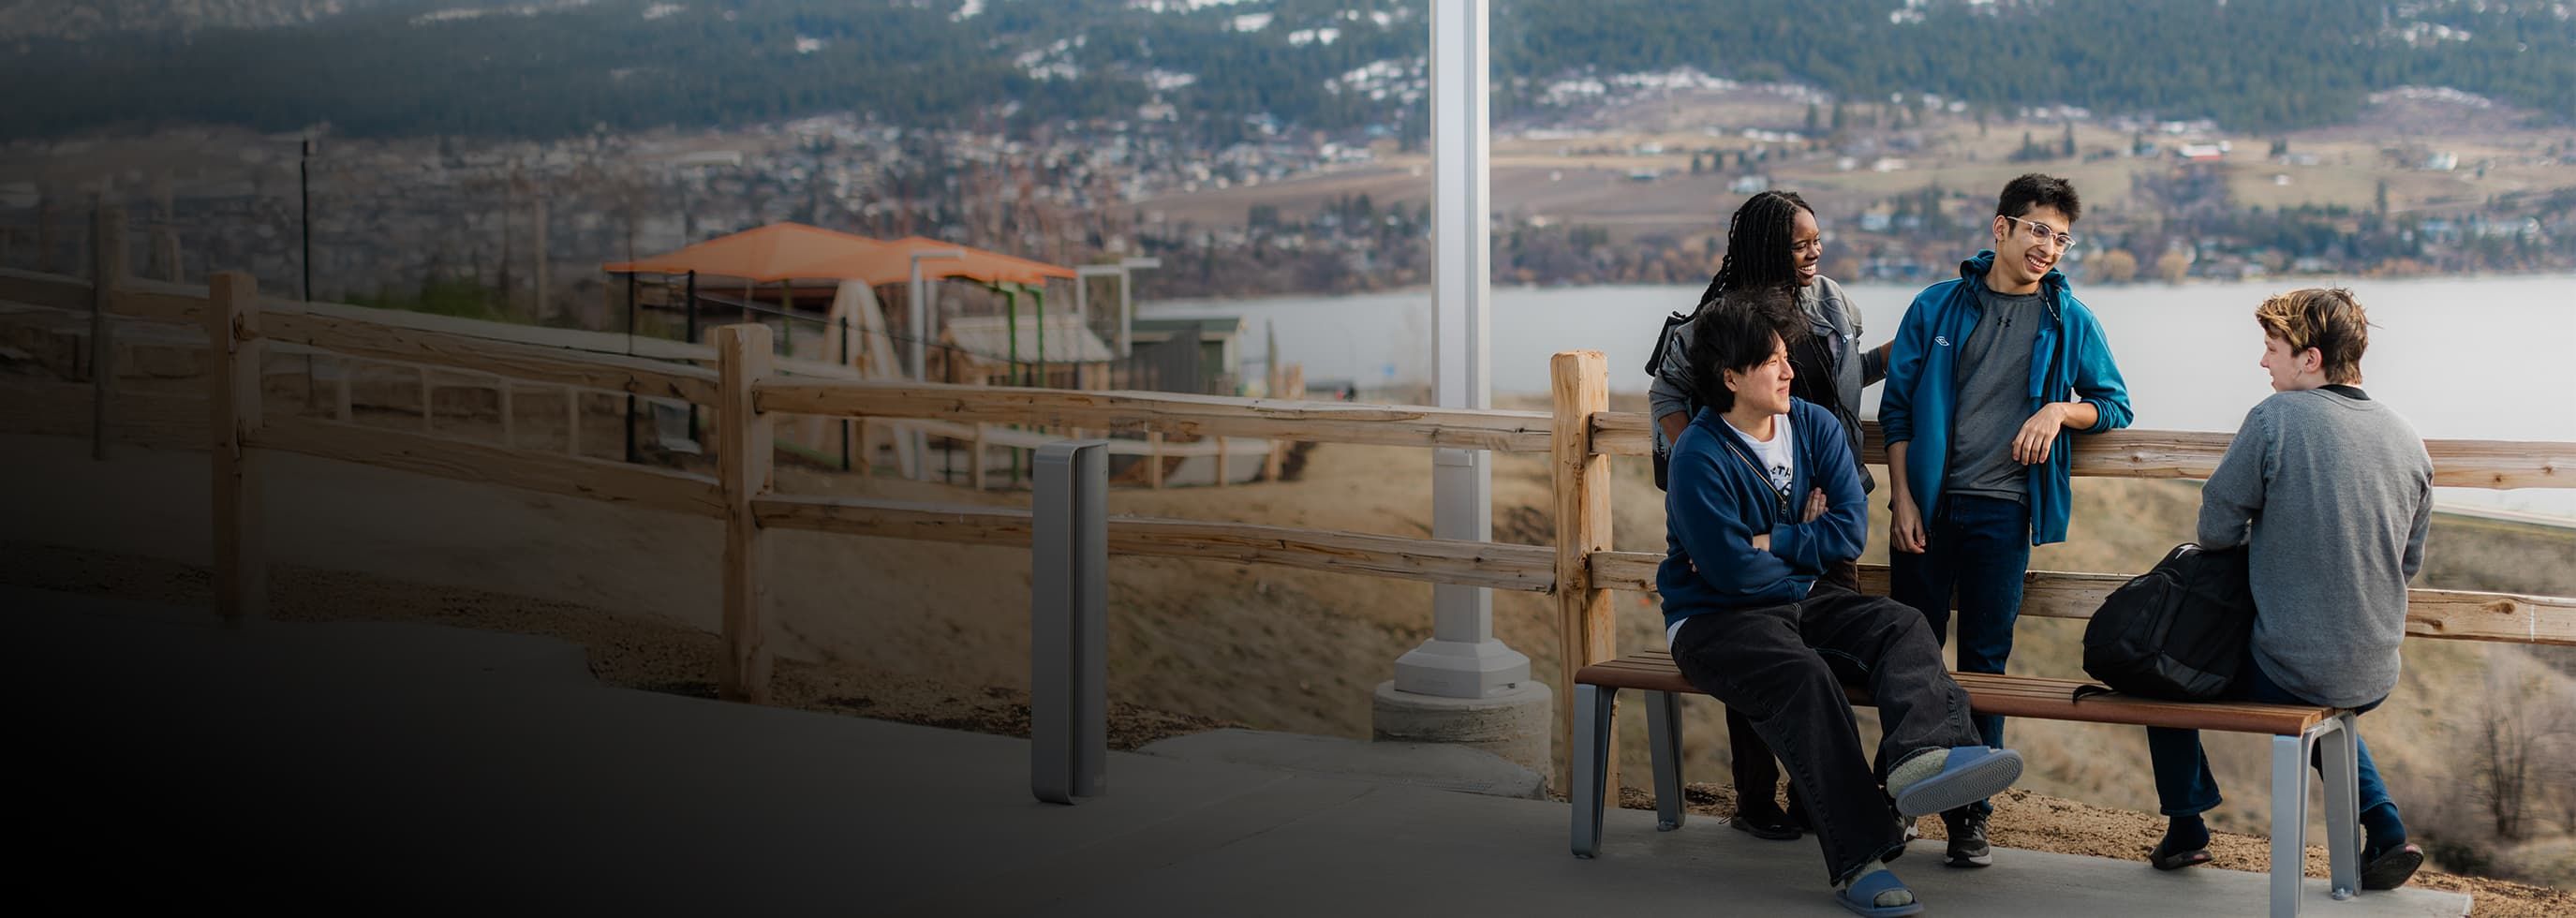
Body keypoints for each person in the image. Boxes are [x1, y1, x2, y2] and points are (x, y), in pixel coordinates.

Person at [1662, 288, 2024, 917]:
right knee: (1806, 678)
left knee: (1901, 625)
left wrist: (1773, 540)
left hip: (1803, 598)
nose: (1789, 370)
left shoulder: (1813, 424)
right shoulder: (1699, 456)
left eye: (1786, 357)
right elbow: (1727, 574)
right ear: (1729, 377)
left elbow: (1848, 531)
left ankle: (1918, 758)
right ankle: (1860, 860)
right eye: (1771, 361)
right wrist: (1800, 545)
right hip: (1714, 620)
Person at [1878, 173, 2134, 867]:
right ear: (2001, 228)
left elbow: (2114, 405)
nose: (2049, 247)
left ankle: (1970, 813)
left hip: (2004, 512)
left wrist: (2058, 411)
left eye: (2061, 237)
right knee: (1911, 658)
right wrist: (1901, 498)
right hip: (1926, 509)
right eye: (2038, 231)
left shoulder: (2069, 321)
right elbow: (1896, 410)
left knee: (1984, 665)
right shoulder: (1937, 307)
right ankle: (1899, 803)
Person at [2142, 288, 2428, 891]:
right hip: (2376, 668)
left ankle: (2188, 829)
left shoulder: (2274, 419)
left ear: (2311, 359)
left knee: (2161, 670)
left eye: (2272, 349)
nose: (2263, 363)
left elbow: (2214, 529)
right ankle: (2386, 829)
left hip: (2291, 665)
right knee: (2315, 684)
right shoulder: (2408, 439)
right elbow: (2408, 564)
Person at [1648, 189, 1891, 841]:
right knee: (1760, 656)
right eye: (1800, 241)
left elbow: (1839, 377)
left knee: (1823, 654)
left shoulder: (1835, 303)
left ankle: (1817, 801)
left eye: (1818, 238)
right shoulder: (1720, 322)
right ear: (1765, 247)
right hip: (1756, 502)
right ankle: (1756, 800)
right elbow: (1667, 392)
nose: (1815, 251)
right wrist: (1703, 465)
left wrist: (1897, 356)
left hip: (1825, 502)